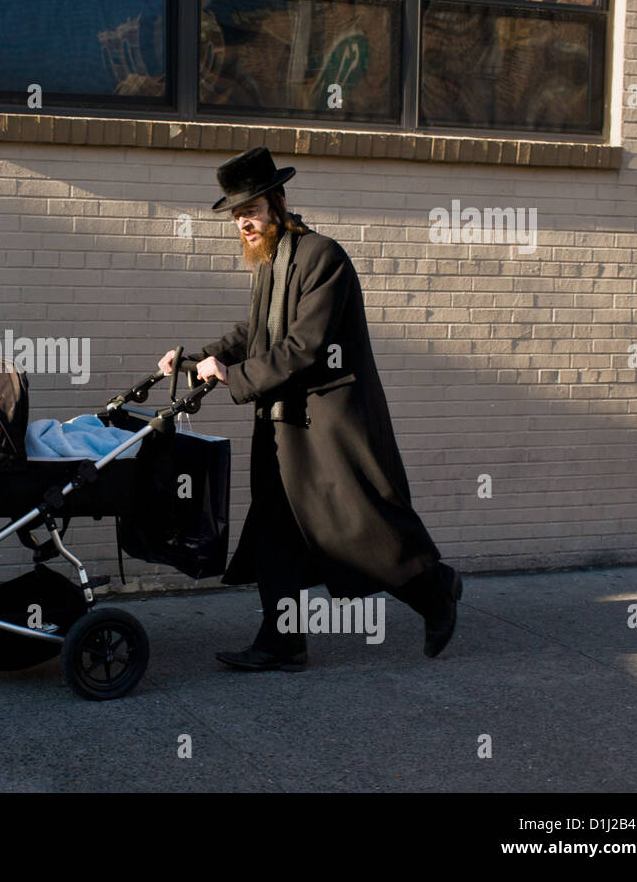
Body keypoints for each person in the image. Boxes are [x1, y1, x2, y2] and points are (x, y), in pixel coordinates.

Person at [158, 147, 462, 671]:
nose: (243, 222)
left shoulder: (323, 257)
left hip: (326, 428)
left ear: (277, 201)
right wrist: (195, 359)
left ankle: (436, 589)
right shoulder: (271, 263)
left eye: (250, 209)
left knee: (361, 530)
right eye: (236, 214)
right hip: (280, 424)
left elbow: (306, 346)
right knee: (277, 533)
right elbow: (253, 335)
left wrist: (235, 375)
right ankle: (283, 643)